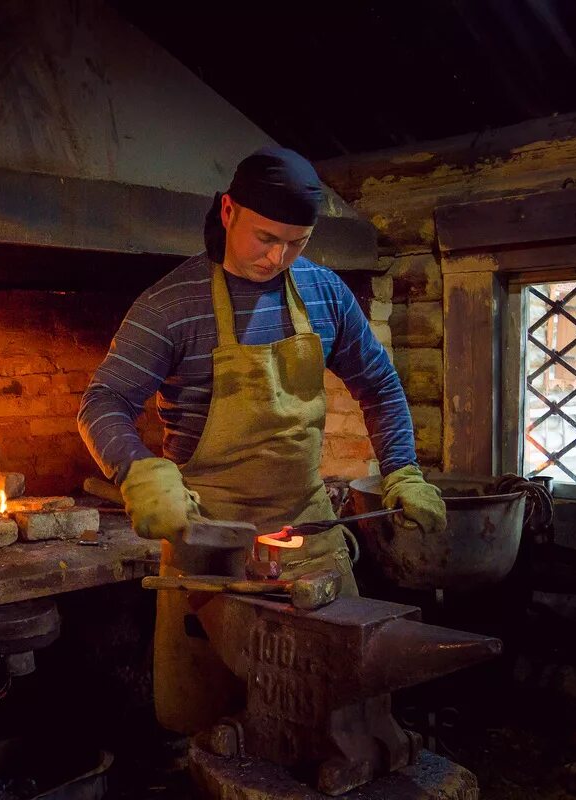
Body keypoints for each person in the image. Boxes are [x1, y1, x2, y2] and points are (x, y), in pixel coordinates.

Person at [78, 146, 446, 734]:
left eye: (297, 243)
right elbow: (103, 403)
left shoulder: (324, 294)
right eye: (266, 238)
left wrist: (402, 470)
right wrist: (137, 470)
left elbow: (378, 382)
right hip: (210, 545)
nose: (278, 258)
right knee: (210, 725)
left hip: (310, 537)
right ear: (228, 212)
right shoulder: (172, 304)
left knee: (336, 717)